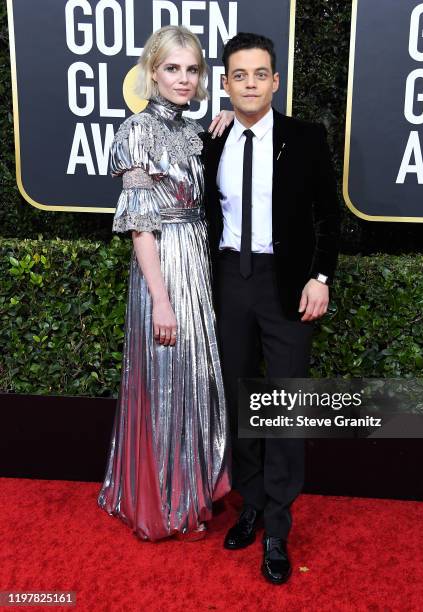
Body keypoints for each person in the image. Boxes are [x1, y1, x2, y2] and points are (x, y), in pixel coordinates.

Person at [203, 32, 341, 583]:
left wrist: (320, 277)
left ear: (275, 80)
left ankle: (279, 528)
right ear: (226, 83)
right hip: (228, 281)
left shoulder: (305, 138)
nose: (251, 83)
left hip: (285, 286)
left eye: (260, 74)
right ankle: (253, 501)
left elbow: (329, 217)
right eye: (240, 75)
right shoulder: (209, 138)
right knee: (239, 400)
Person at [98, 25, 232, 542]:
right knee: (166, 379)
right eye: (172, 68)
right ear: (152, 71)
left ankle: (192, 492)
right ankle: (163, 501)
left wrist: (227, 122)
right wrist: (160, 300)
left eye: (192, 69)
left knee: (196, 380)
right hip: (164, 267)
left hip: (199, 261)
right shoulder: (136, 131)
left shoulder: (197, 131)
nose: (183, 78)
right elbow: (139, 223)